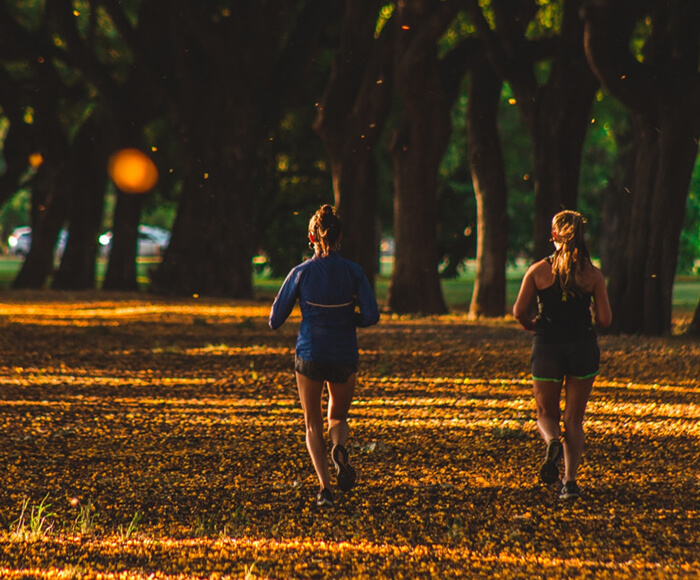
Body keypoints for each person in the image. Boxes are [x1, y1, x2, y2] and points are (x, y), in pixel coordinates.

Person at [269, 204, 380, 508]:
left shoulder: (300, 273)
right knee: (338, 416)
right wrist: (347, 318)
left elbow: (275, 320)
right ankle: (339, 449)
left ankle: (325, 489)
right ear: (340, 235)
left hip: (310, 353)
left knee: (312, 424)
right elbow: (371, 315)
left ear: (311, 237)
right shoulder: (354, 272)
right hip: (344, 352)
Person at [513, 210, 612, 500]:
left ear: (554, 235)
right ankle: (569, 483)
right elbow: (605, 319)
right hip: (582, 347)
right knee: (574, 419)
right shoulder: (592, 274)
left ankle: (552, 441)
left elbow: (519, 311)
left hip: (547, 346)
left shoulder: (538, 271)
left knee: (546, 413)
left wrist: (532, 326)